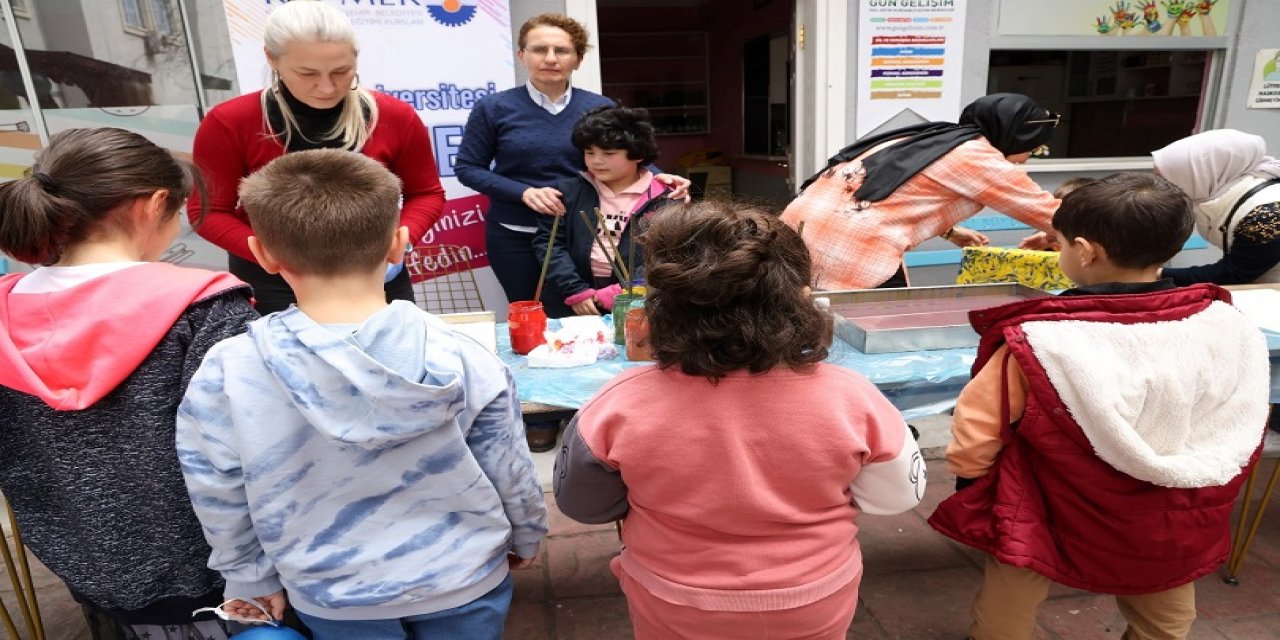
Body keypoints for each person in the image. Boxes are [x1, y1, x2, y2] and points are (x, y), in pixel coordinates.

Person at [176, 149, 548, 640]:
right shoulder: (465, 355)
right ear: (398, 246)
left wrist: (248, 575)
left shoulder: (228, 369)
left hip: (332, 596)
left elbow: (215, 487)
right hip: (463, 577)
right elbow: (509, 466)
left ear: (261, 254)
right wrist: (526, 534)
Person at [554, 202, 925, 639]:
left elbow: (583, 504)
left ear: (657, 309)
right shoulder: (852, 396)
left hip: (673, 603)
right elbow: (897, 497)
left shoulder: (616, 405)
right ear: (803, 301)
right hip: (811, 600)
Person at [928, 172, 1271, 640]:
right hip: (1172, 505)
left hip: (1048, 501)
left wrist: (971, 478)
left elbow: (977, 428)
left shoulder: (1040, 340)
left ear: (1086, 252)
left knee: (1014, 586)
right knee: (1166, 605)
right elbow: (1239, 411)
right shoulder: (1225, 323)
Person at [0, 128, 257, 638]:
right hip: (220, 578)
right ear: (155, 204)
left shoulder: (7, 309)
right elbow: (247, 448)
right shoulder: (206, 307)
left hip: (87, 568)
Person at [189, 0, 445, 314]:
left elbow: (426, 192)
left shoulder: (394, 116)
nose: (326, 87)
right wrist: (271, 255)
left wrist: (401, 241)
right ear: (272, 59)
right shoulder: (231, 122)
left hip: (375, 275)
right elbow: (207, 211)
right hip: (274, 281)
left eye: (341, 71)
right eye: (307, 73)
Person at [455, 13, 688, 310]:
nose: (550, 58)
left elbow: (625, 155)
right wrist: (524, 193)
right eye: (539, 49)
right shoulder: (493, 108)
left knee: (589, 314)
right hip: (517, 235)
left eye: (562, 50)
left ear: (578, 59)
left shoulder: (599, 106)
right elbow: (467, 168)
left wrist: (662, 178)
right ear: (521, 55)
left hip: (579, 236)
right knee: (532, 317)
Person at [781, 92, 1062, 290]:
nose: (1030, 155)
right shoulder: (979, 157)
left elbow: (893, 194)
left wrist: (951, 232)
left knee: (808, 322)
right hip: (850, 251)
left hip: (794, 236)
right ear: (1018, 136)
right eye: (1033, 146)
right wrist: (1055, 231)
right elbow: (1052, 213)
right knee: (873, 332)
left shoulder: (928, 139)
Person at [532, 105, 673, 320]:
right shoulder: (567, 192)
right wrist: (575, 290)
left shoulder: (665, 198)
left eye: (608, 153)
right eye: (590, 152)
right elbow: (549, 244)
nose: (596, 161)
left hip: (637, 300)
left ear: (638, 154)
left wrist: (624, 291)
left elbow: (669, 255)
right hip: (571, 298)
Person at [1152, 129, 1280, 286]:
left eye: (1164, 179)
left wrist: (1158, 274)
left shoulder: (1268, 214)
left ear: (1199, 175)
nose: (1159, 187)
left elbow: (1234, 274)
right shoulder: (1212, 194)